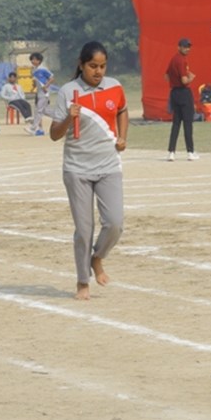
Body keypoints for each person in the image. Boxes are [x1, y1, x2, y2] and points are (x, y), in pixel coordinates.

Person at [50, 41, 128, 301]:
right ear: (81, 65)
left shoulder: (114, 86)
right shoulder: (67, 92)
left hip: (109, 166)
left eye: (103, 66)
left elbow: (122, 110)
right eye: (93, 66)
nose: (98, 71)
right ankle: (83, 281)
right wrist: (68, 117)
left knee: (115, 222)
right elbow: (54, 134)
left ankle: (98, 257)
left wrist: (123, 137)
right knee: (84, 230)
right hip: (77, 169)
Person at [165, 37, 197, 161]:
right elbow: (184, 81)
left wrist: (174, 81)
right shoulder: (182, 60)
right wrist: (191, 78)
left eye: (188, 47)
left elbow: (166, 75)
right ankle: (190, 152)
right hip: (184, 93)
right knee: (188, 123)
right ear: (179, 47)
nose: (187, 49)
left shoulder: (173, 59)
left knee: (176, 123)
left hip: (174, 93)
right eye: (184, 47)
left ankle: (171, 152)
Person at [29, 52, 52, 136]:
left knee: (38, 110)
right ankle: (61, 117)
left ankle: (33, 128)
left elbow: (52, 78)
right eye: (32, 59)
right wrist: (33, 87)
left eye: (35, 59)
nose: (33, 61)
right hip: (38, 92)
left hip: (44, 93)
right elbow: (36, 81)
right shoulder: (34, 70)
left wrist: (46, 86)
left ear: (39, 61)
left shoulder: (43, 69)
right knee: (45, 111)